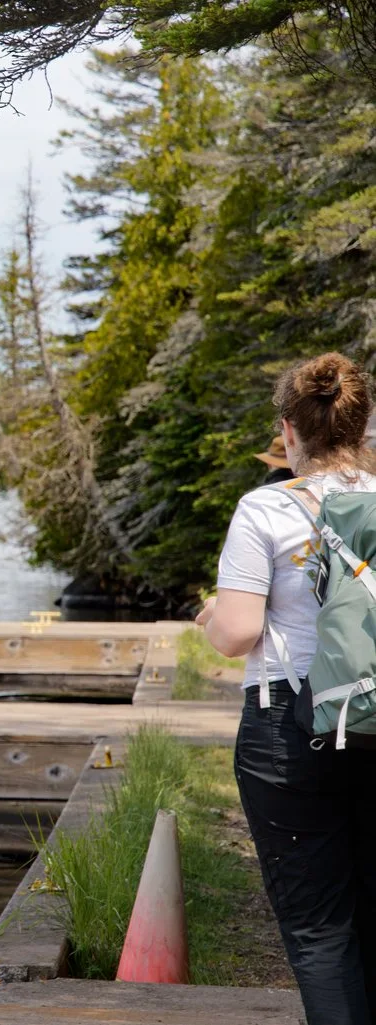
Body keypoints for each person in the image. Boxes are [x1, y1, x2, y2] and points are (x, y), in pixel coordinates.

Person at [198, 353, 376, 1025]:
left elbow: (239, 632)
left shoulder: (264, 509)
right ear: (360, 427)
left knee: (320, 929)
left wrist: (213, 617)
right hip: (375, 715)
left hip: (289, 727)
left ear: (289, 431)